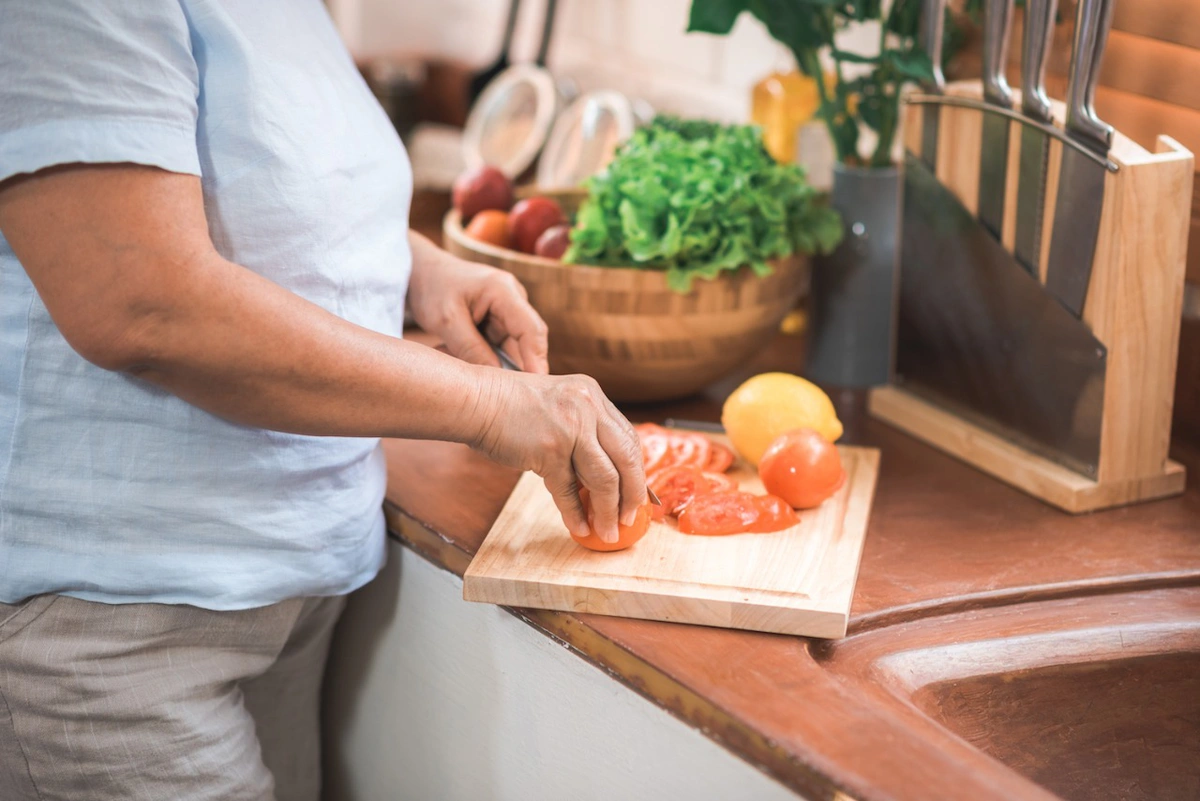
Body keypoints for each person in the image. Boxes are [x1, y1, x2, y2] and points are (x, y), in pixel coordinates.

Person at [0, 3, 645, 800]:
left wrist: (412, 263)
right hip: (111, 619)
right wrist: (487, 402)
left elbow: (241, 171)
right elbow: (140, 300)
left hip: (287, 587)